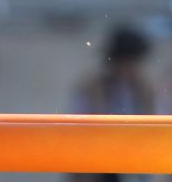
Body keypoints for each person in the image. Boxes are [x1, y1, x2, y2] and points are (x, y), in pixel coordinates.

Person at [64, 27, 156, 182]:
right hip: (96, 157)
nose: (133, 68)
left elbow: (150, 128)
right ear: (117, 61)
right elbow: (90, 131)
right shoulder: (93, 87)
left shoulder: (141, 88)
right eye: (129, 63)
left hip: (129, 156)